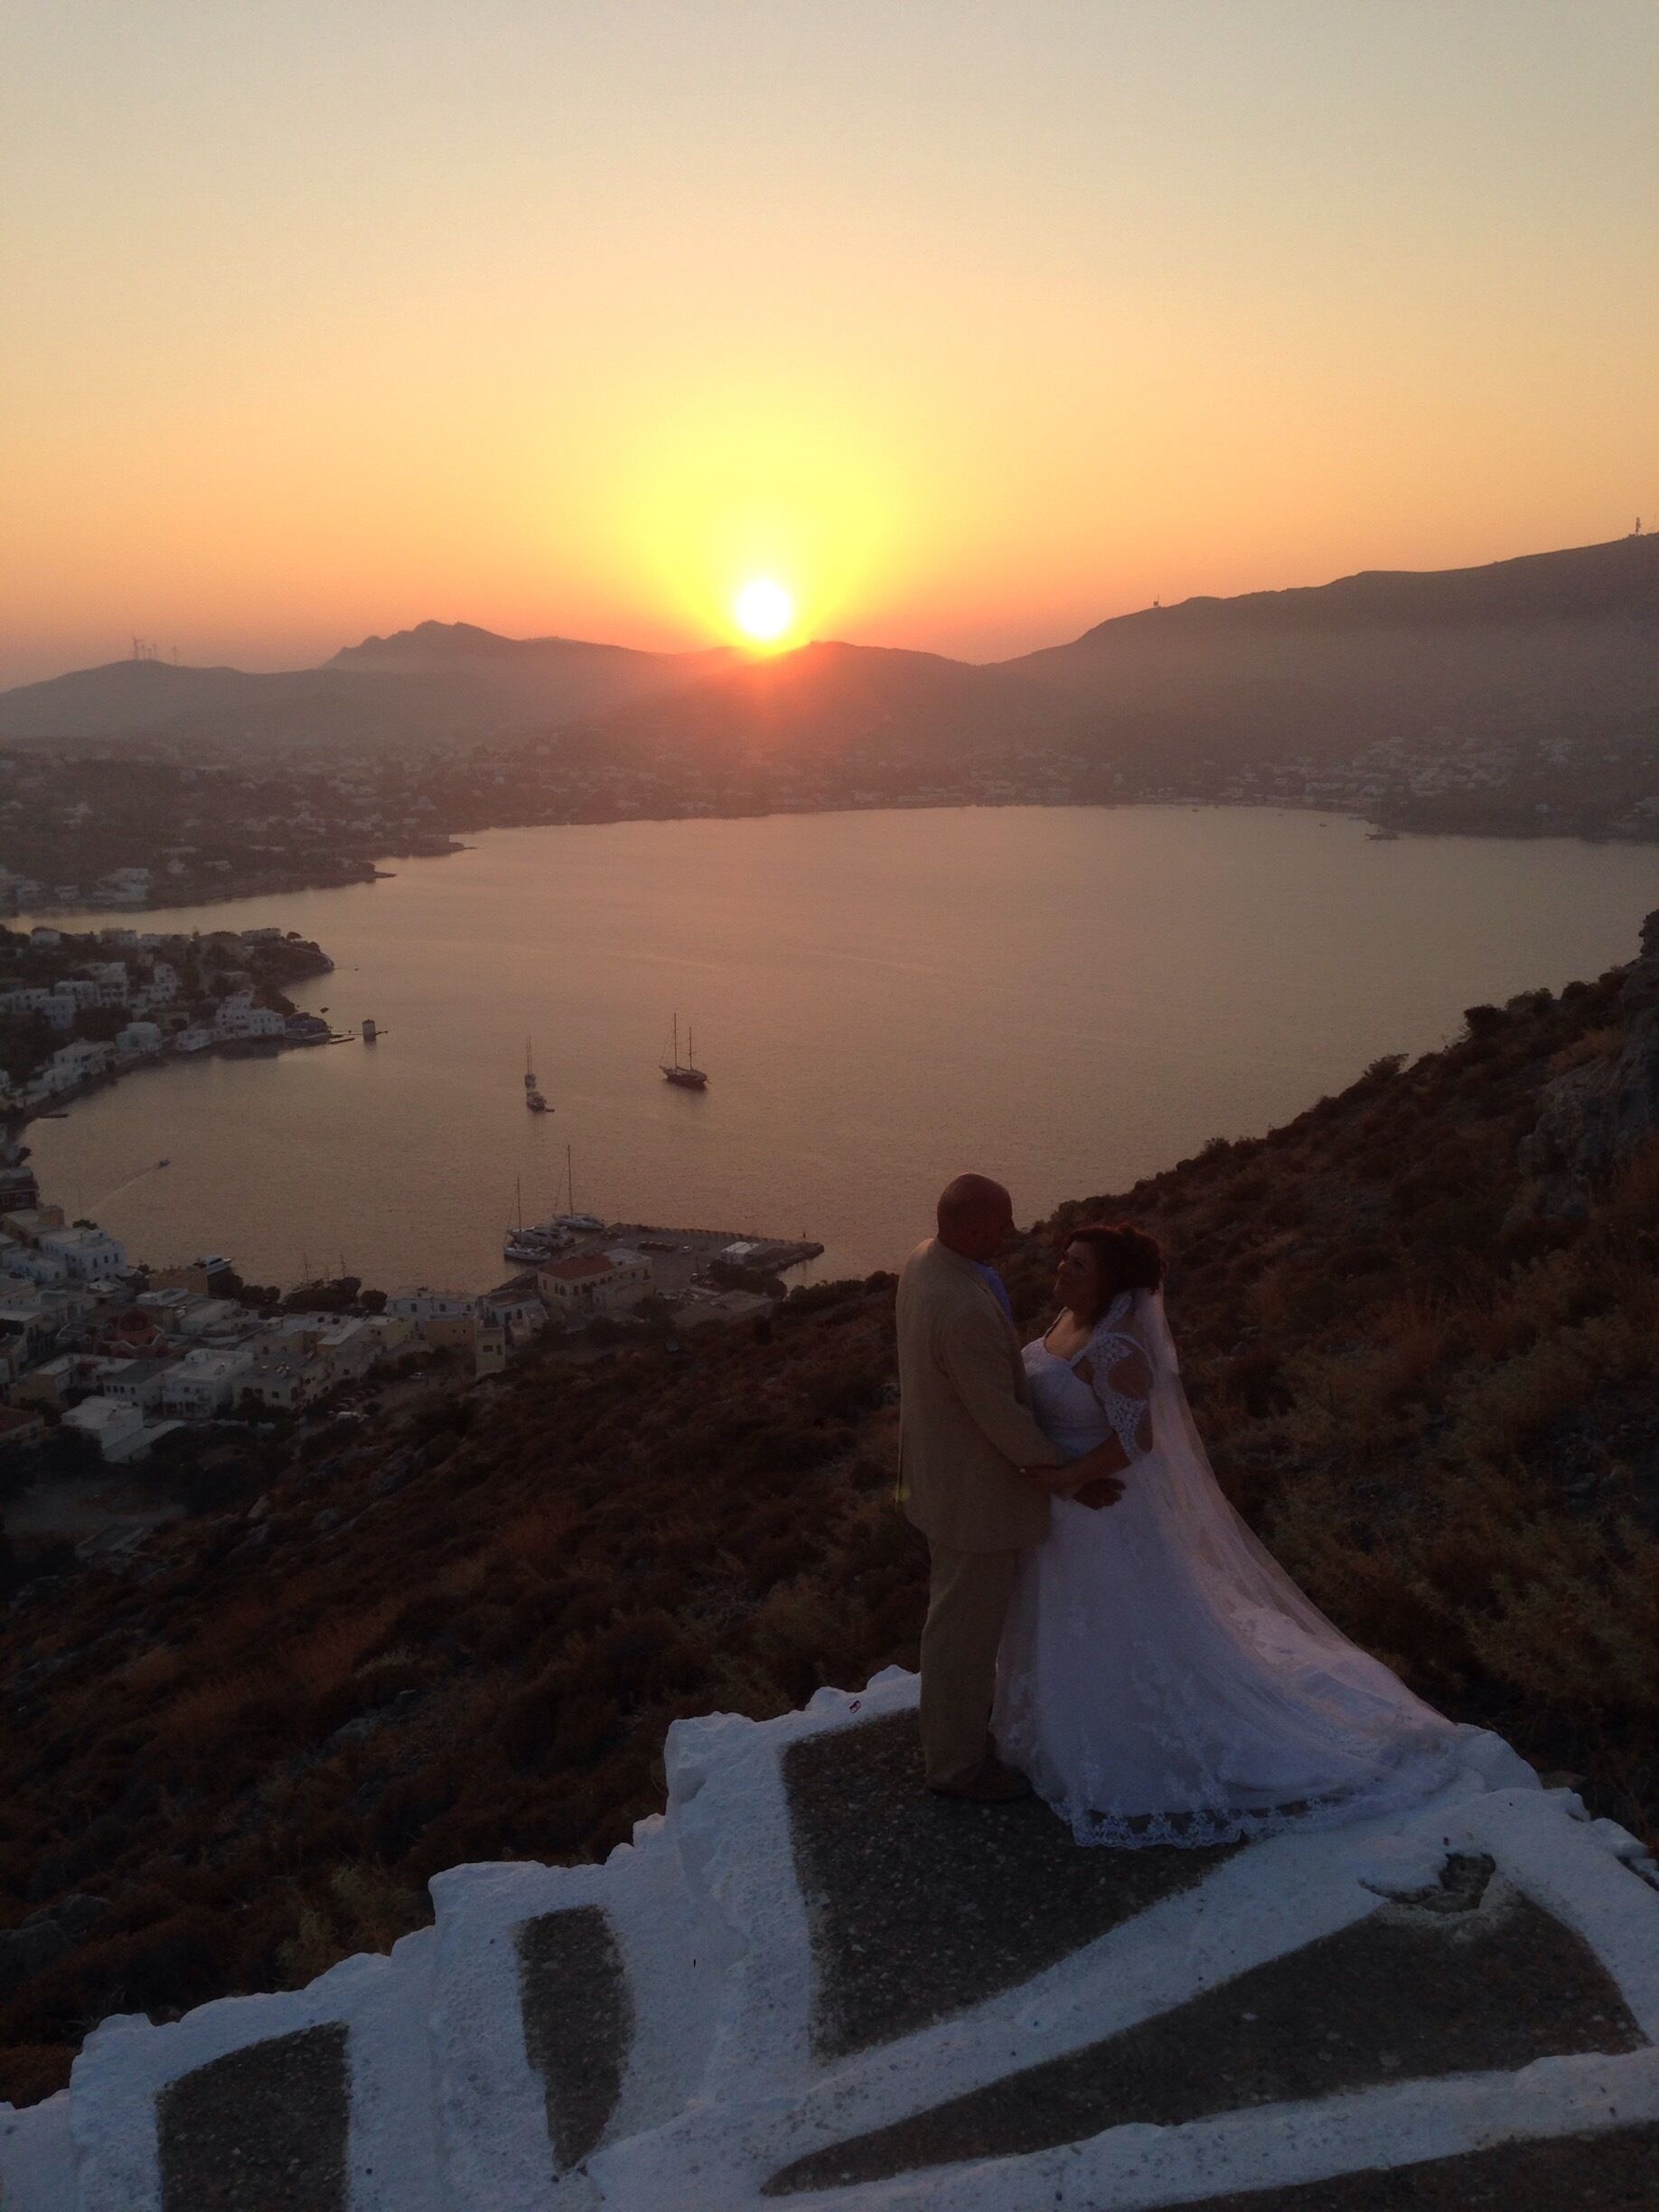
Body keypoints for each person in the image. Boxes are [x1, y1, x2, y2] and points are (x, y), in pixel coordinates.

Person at [995, 1223, 1463, 1845]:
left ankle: (1128, 1744)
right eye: (1065, 1260)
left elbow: (1136, 1439)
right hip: (1063, 1505)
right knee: (1063, 1621)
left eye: (1078, 1265)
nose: (1062, 1269)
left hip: (1103, 1512)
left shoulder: (1115, 1348)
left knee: (1113, 1625)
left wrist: (1070, 1476)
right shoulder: (1064, 1319)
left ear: (1111, 1283)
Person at [895, 1176, 1124, 1800]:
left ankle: (960, 1741)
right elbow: (998, 1414)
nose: (1013, 1234)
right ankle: (956, 1768)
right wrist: (1069, 1481)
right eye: (1002, 1224)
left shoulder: (924, 1261)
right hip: (975, 1499)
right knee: (962, 1640)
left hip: (938, 1480)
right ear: (970, 1228)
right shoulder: (963, 1305)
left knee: (955, 1626)